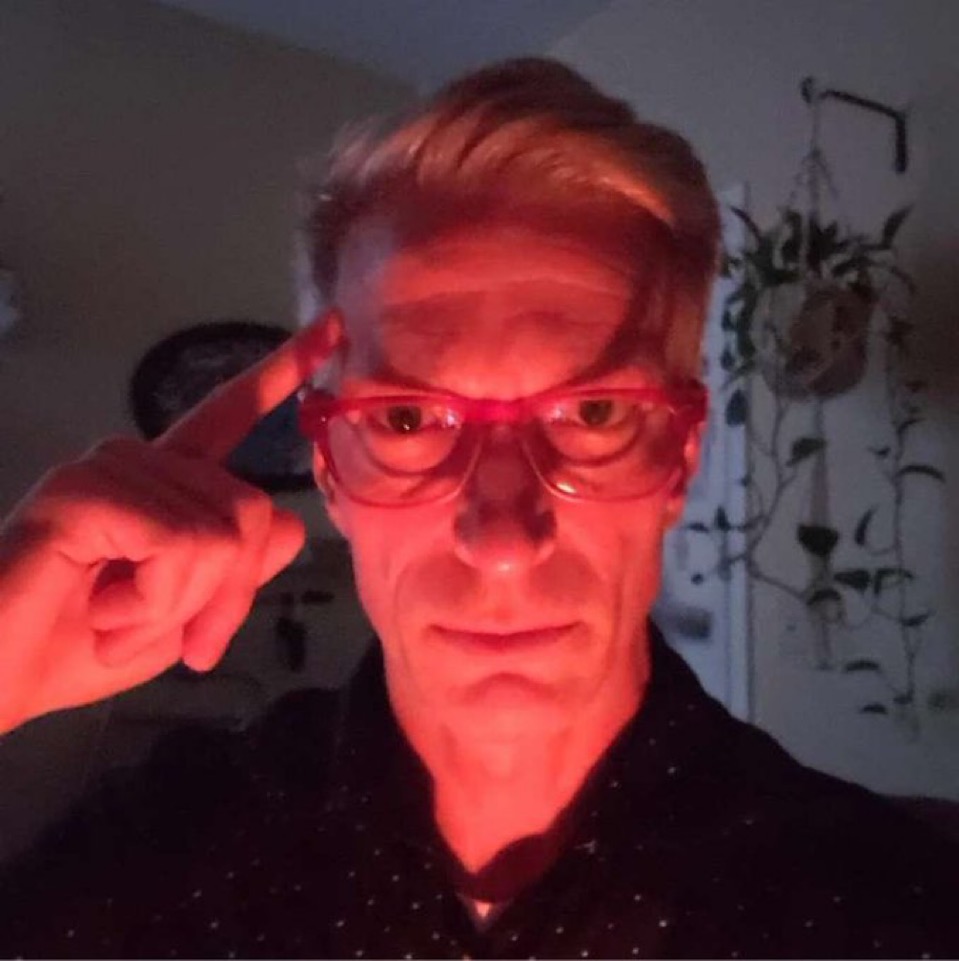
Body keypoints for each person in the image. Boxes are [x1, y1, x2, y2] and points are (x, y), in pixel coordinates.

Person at [0, 57, 955, 960]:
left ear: (680, 457)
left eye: (593, 413)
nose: (502, 538)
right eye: (407, 418)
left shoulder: (878, 899)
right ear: (327, 464)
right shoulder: (156, 852)